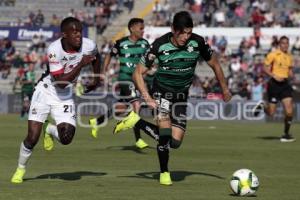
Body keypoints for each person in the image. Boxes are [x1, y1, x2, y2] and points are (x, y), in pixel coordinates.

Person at [113, 11, 232, 185]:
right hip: (162, 92)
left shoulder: (198, 42)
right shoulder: (159, 45)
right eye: (182, 32)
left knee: (175, 142)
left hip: (182, 96)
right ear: (173, 30)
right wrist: (147, 98)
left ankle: (136, 121)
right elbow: (137, 73)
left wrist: (224, 88)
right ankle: (164, 173)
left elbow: (214, 63)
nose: (185, 37)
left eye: (188, 32)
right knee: (165, 133)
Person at [11, 17, 101, 183]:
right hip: (46, 91)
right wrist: (81, 65)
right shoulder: (54, 49)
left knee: (66, 138)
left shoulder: (88, 45)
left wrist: (96, 79)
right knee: (32, 138)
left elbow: (96, 56)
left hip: (65, 97)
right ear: (64, 34)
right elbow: (60, 83)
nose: (78, 35)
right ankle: (20, 169)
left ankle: (49, 130)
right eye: (74, 32)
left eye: (80, 31)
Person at [89, 18, 150, 149]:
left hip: (137, 79)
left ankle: (97, 121)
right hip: (125, 78)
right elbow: (109, 56)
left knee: (121, 108)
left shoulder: (145, 44)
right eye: (141, 28)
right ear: (132, 28)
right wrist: (103, 71)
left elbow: (150, 59)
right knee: (136, 104)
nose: (143, 31)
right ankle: (138, 139)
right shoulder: (121, 43)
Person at [252, 36, 295, 142]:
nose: (285, 45)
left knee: (289, 111)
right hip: (274, 85)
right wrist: (273, 75)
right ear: (279, 44)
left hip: (285, 85)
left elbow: (289, 71)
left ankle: (286, 134)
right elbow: (265, 67)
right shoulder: (273, 54)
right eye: (283, 43)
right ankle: (262, 106)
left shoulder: (289, 56)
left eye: (287, 43)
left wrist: (292, 75)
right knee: (271, 113)